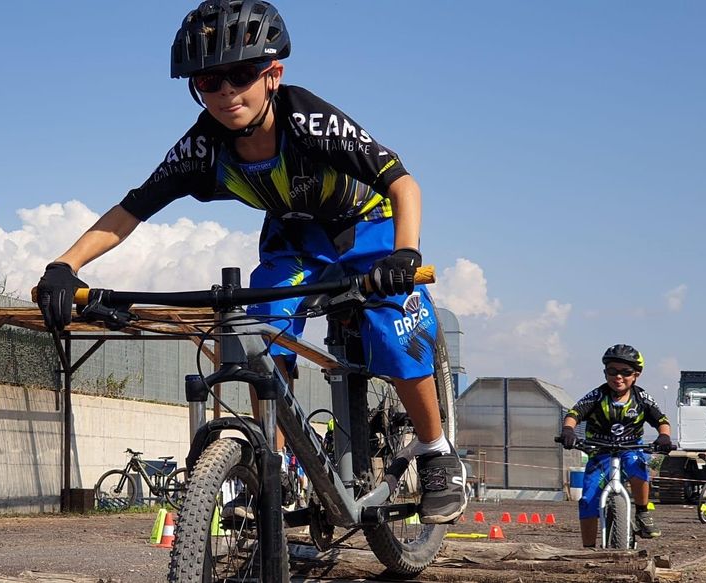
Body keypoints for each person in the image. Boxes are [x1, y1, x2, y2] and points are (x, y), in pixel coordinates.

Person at [34, 0, 466, 523]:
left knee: (396, 323)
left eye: (240, 75)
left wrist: (405, 252)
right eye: (208, 82)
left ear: (273, 75)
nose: (225, 93)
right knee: (257, 333)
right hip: (294, 236)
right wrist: (64, 265)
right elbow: (132, 208)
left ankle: (437, 450)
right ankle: (274, 465)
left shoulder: (308, 120)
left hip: (366, 225)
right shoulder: (203, 147)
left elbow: (403, 182)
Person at [560, 344, 673, 546]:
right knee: (587, 500)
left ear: (636, 375)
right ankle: (587, 549)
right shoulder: (597, 396)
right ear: (605, 373)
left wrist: (664, 437)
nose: (618, 377)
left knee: (637, 467)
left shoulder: (642, 398)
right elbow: (574, 414)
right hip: (600, 451)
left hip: (631, 449)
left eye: (625, 372)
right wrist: (568, 430)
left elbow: (662, 421)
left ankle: (643, 512)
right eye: (612, 371)